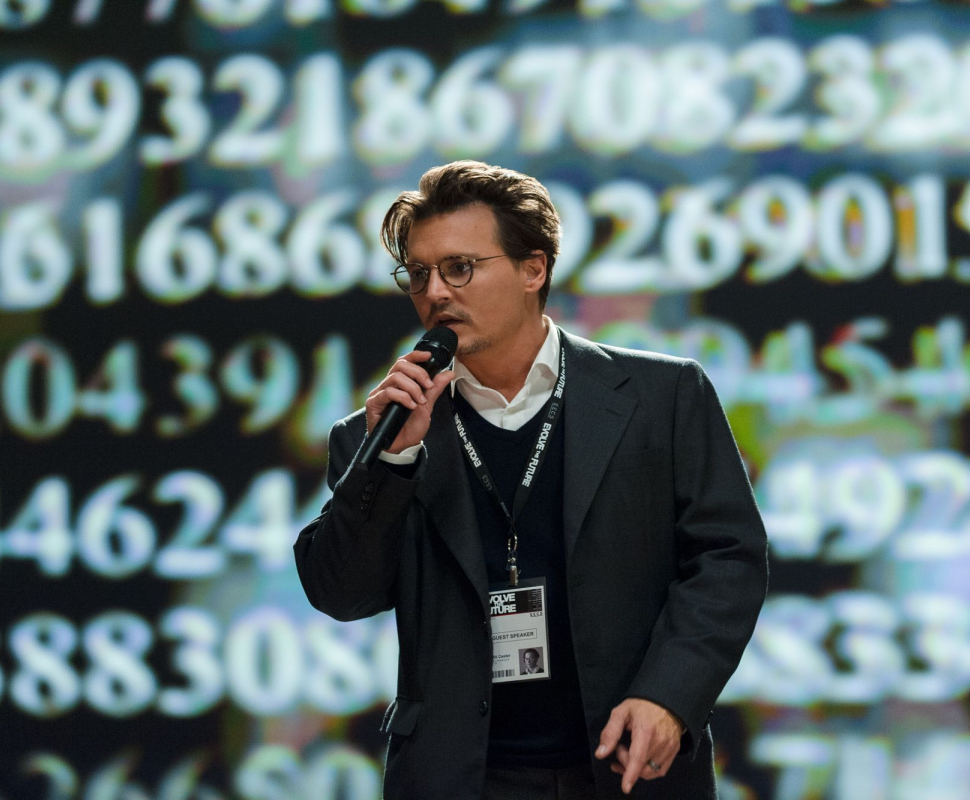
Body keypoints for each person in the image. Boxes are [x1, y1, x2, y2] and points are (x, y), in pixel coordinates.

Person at [294, 161, 768, 799]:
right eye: (419, 274)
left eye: (460, 268)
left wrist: (670, 696)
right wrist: (393, 461)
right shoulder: (382, 431)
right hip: (462, 778)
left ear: (533, 269)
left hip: (625, 765)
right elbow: (341, 593)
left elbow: (728, 558)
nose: (435, 293)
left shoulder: (662, 395)